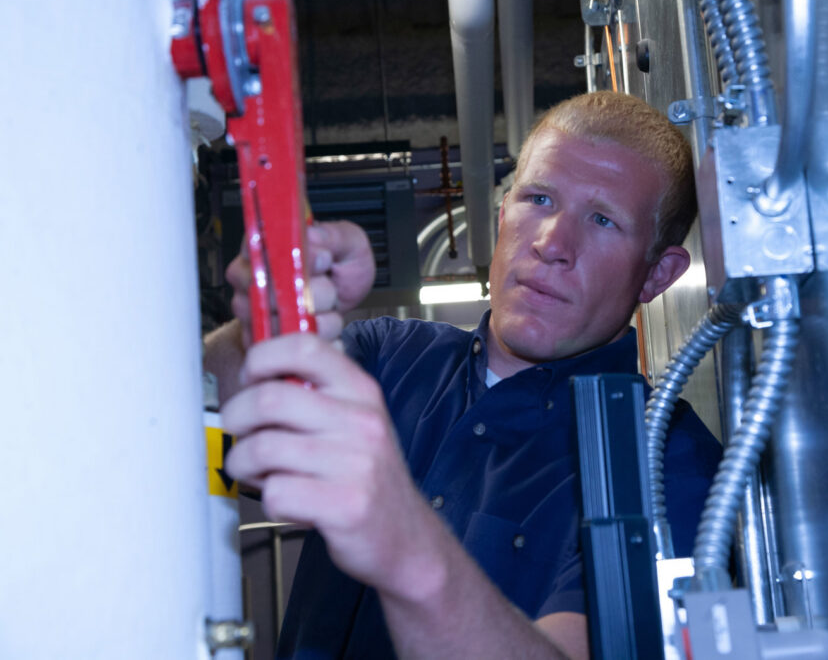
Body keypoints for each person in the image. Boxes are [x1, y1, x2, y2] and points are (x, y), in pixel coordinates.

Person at [203, 91, 721, 659]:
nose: (552, 244)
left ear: (657, 275)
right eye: (539, 199)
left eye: (602, 219)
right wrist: (264, 326)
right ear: (502, 218)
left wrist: (406, 545)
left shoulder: (668, 463)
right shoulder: (387, 356)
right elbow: (201, 417)